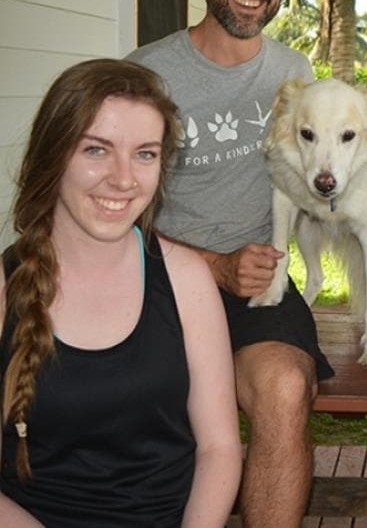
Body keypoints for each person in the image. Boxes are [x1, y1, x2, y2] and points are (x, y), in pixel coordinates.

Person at [125, 0, 335, 525]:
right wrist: (211, 265)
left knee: (285, 388)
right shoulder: (147, 75)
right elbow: (115, 209)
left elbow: (304, 179)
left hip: (254, 281)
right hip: (155, 277)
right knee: (137, 404)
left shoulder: (293, 71)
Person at [0, 59, 241, 526]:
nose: (124, 178)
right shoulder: (7, 289)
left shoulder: (186, 280)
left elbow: (219, 449)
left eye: (145, 154)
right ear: (53, 155)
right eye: (96, 150)